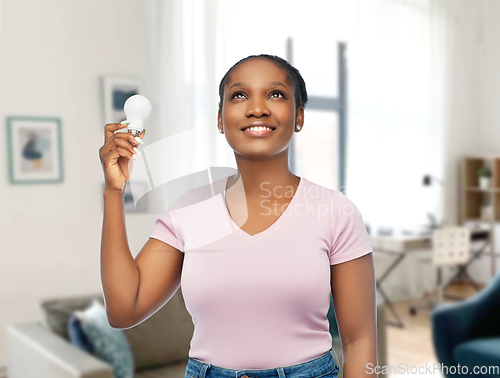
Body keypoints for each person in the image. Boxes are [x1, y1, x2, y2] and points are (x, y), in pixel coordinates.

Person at [99, 54, 378, 378]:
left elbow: (360, 341)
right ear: (220, 118)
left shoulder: (336, 212)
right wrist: (113, 192)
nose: (256, 107)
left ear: (299, 116)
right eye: (239, 95)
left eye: (275, 94)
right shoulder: (189, 210)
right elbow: (123, 309)